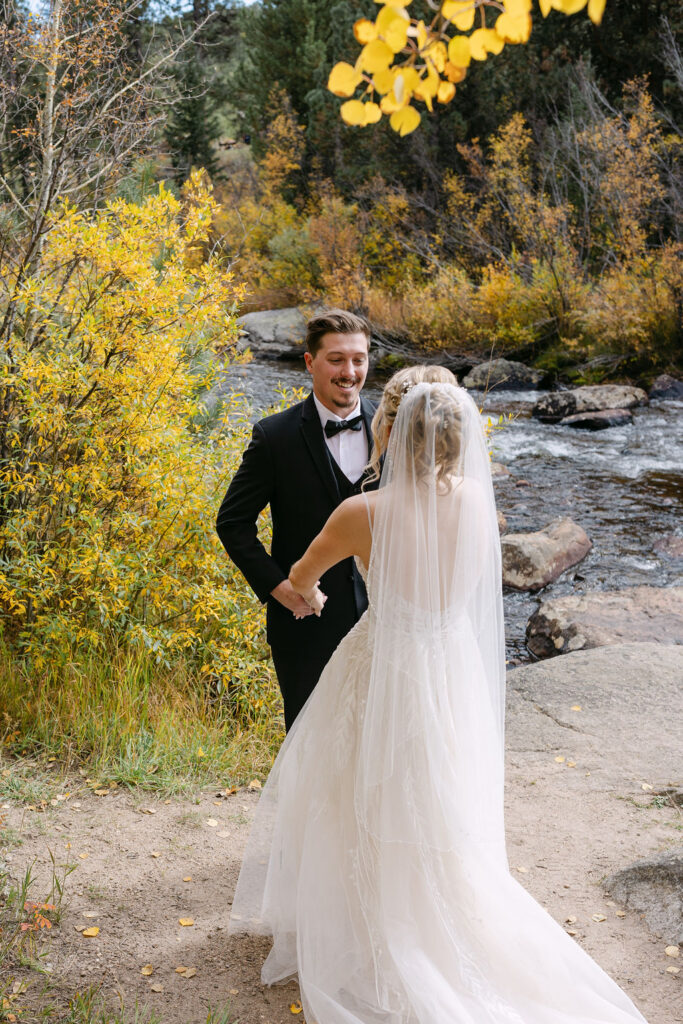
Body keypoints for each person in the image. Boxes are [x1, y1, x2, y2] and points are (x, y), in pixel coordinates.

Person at [228, 368, 650, 1024]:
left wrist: (307, 597)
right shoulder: (478, 504)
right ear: (459, 440)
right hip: (451, 671)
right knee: (434, 796)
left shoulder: (361, 512)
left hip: (384, 665)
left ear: (390, 430)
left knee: (358, 790)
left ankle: (372, 925)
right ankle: (438, 913)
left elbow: (303, 579)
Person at [216, 309, 375, 730]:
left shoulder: (394, 428)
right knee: (309, 750)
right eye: (336, 359)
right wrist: (279, 588)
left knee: (379, 754)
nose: (349, 371)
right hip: (305, 627)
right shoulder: (275, 436)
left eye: (358, 359)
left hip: (384, 625)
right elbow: (232, 522)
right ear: (310, 363)